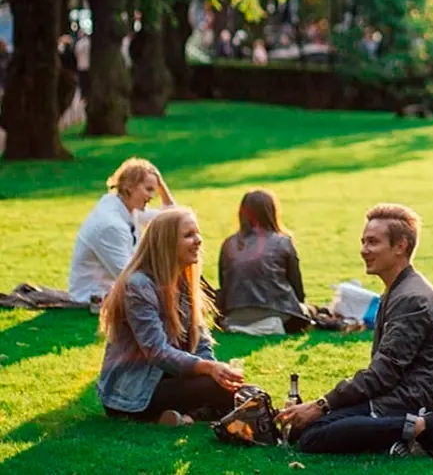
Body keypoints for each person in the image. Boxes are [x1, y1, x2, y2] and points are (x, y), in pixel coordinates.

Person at [277, 204, 433, 462]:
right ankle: (398, 440)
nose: (364, 250)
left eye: (373, 242)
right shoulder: (399, 289)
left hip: (412, 398)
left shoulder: (412, 299)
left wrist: (322, 405)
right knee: (303, 429)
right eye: (363, 242)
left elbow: (383, 374)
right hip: (399, 390)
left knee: (314, 436)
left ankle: (428, 428)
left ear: (401, 246)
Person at [97, 208, 243, 426]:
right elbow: (157, 352)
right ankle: (190, 415)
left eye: (197, 233)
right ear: (167, 244)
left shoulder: (185, 281)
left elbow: (201, 343)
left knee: (237, 390)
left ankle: (184, 418)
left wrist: (216, 372)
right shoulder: (138, 286)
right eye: (188, 235)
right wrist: (208, 370)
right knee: (222, 391)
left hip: (167, 378)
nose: (198, 241)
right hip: (134, 391)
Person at [67, 158, 176, 306]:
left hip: (115, 288)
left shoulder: (127, 206)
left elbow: (171, 219)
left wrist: (161, 184)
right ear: (129, 187)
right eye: (149, 189)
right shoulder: (111, 225)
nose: (152, 196)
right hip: (96, 296)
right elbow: (130, 279)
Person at [217, 190, 310, 335]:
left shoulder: (228, 244)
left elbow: (225, 284)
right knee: (307, 312)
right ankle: (264, 326)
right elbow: (297, 289)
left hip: (233, 313)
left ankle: (243, 327)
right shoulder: (283, 242)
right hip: (277, 311)